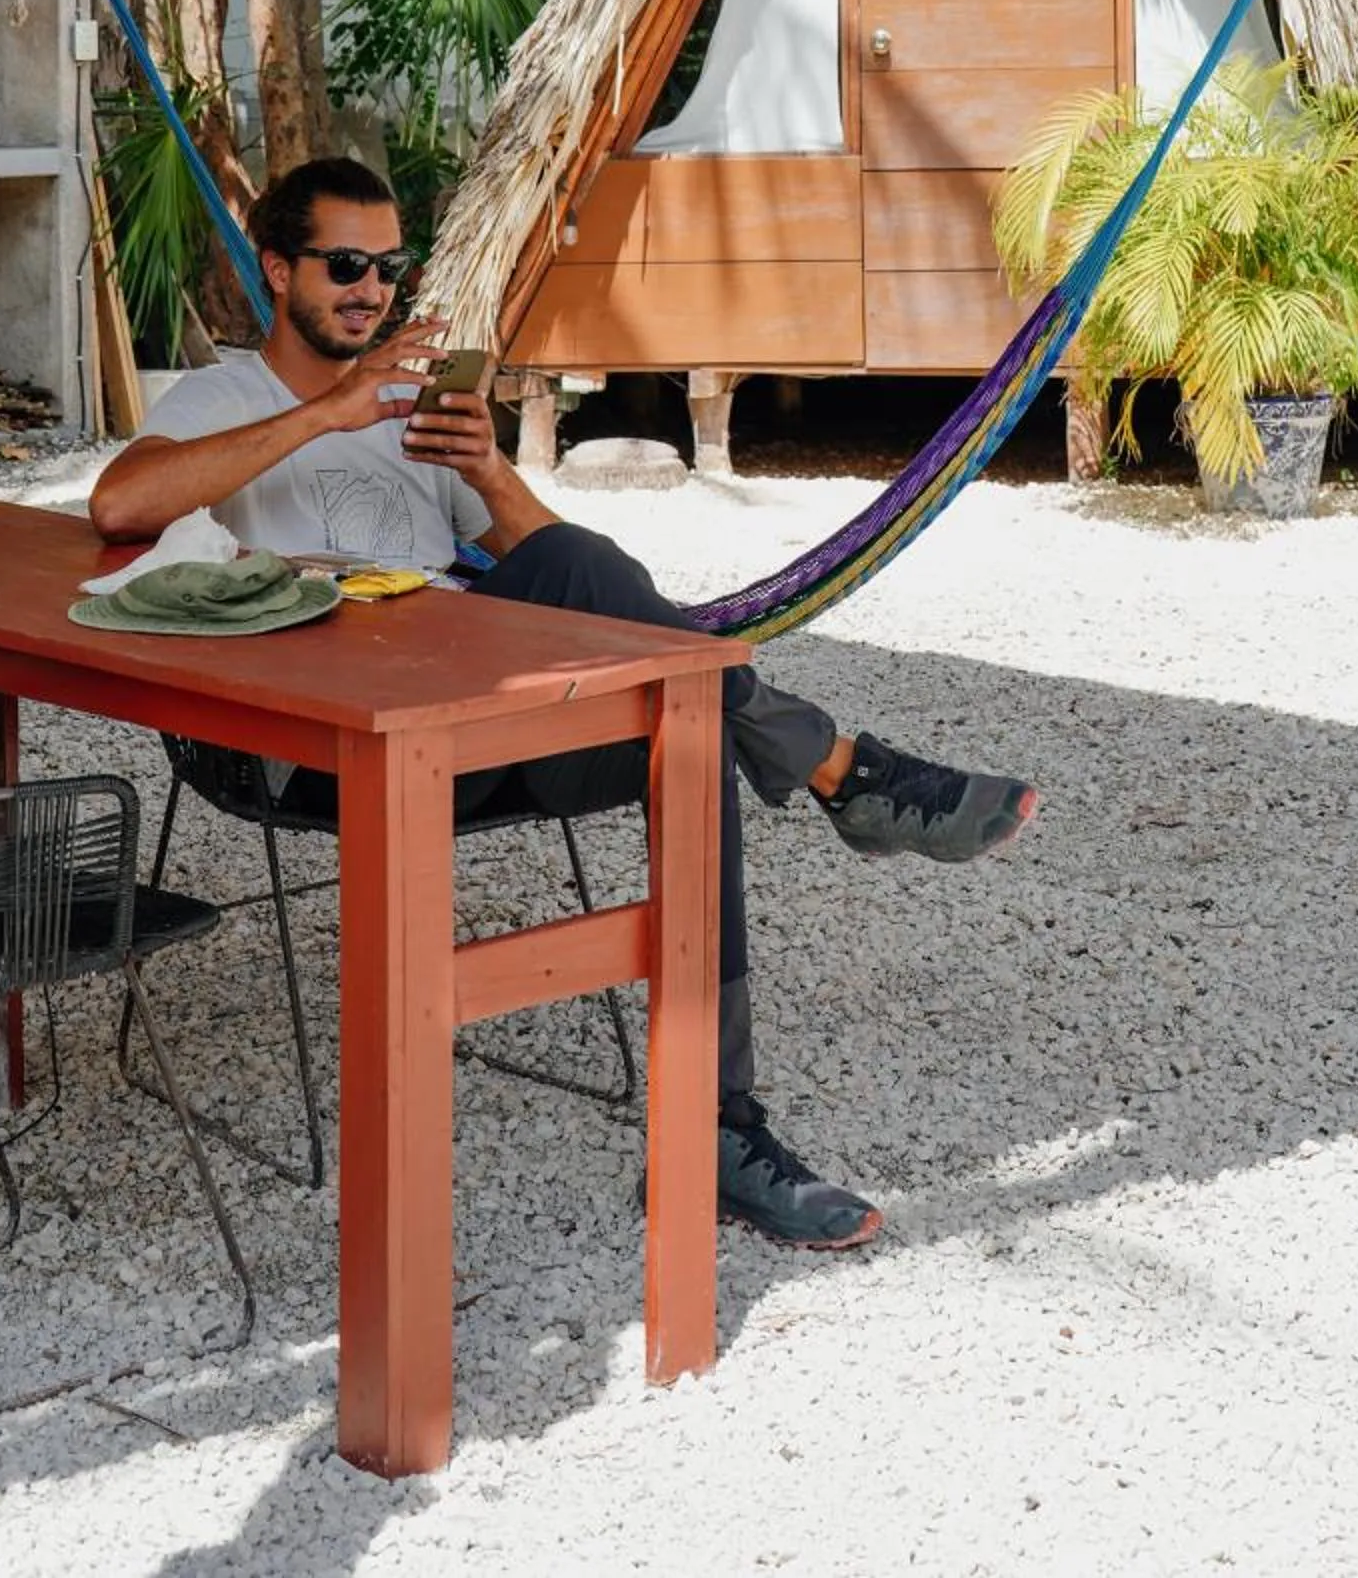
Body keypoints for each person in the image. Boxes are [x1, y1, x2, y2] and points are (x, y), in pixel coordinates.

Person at [90, 157, 1036, 1251]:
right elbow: (119, 503)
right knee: (644, 635)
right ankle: (838, 772)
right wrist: (328, 414)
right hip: (328, 743)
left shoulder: (416, 407)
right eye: (345, 265)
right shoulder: (229, 398)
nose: (371, 290)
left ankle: (718, 1133)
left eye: (388, 268)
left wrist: (486, 472)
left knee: (678, 719)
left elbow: (549, 566)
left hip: (473, 723)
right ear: (275, 269)